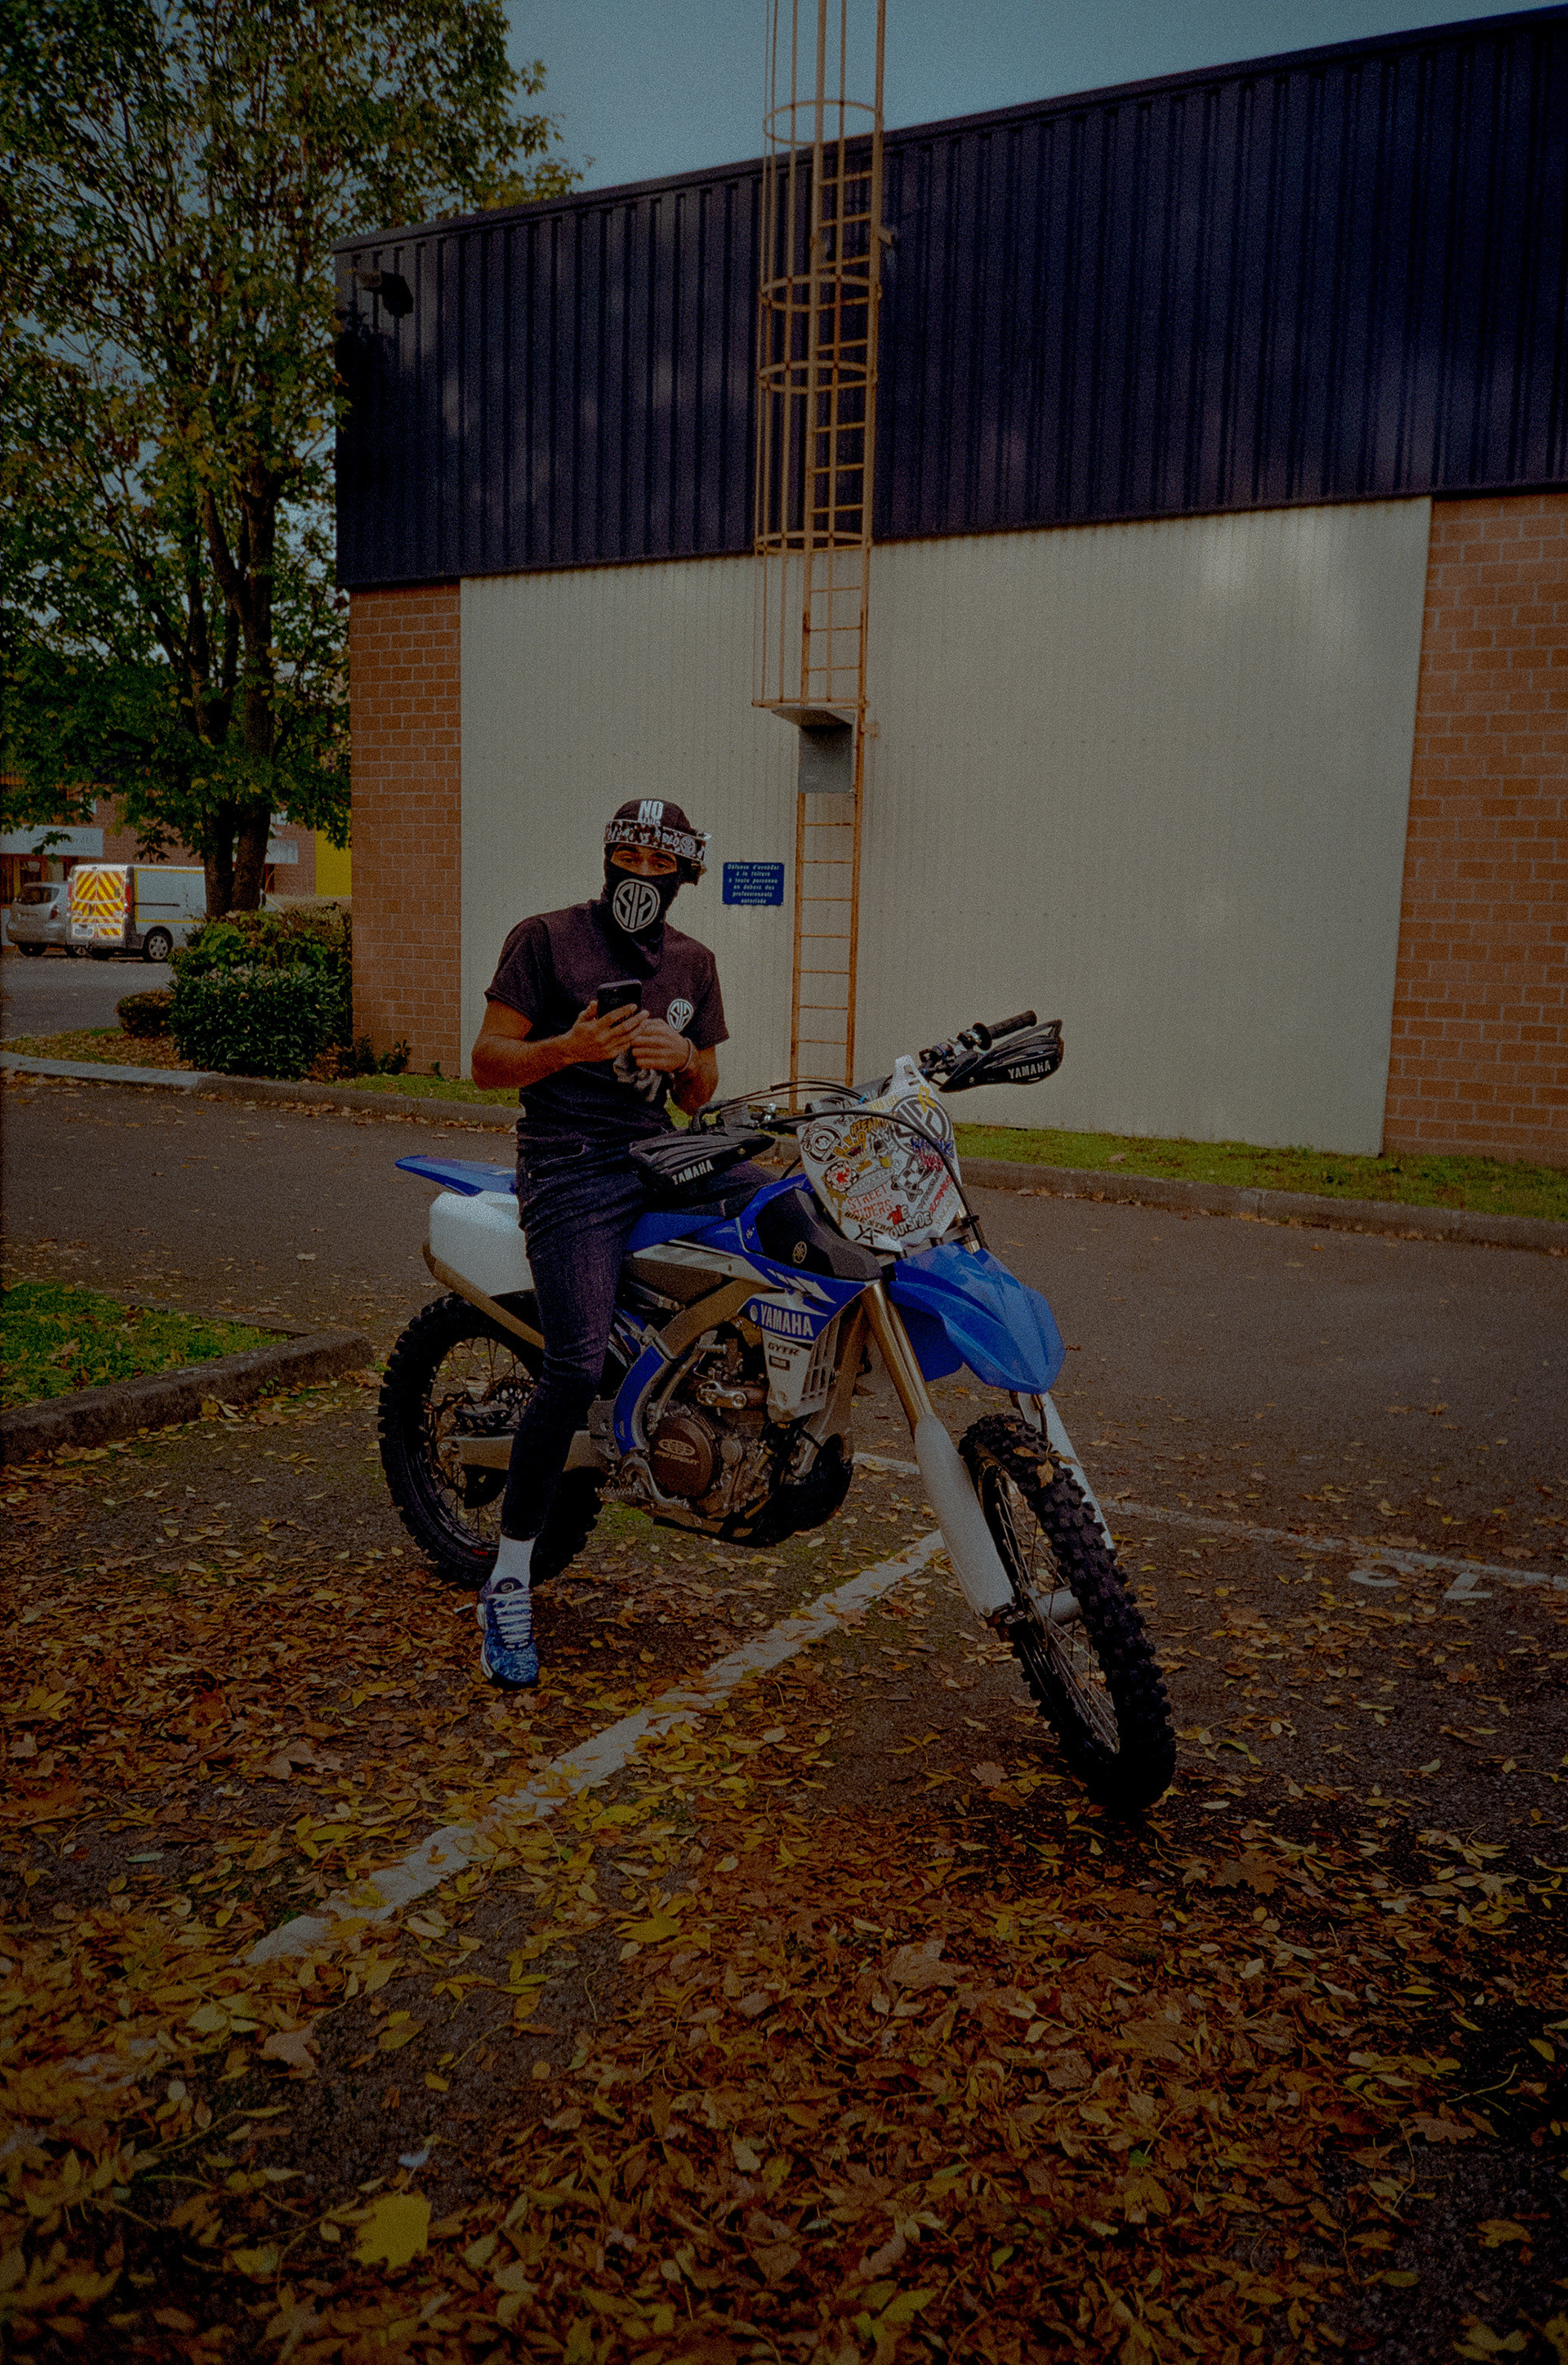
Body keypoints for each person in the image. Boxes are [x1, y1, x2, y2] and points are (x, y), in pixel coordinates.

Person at [469, 798, 748, 1690]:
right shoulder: (546, 939)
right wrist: (570, 1047)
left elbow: (703, 1093)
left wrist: (684, 1060)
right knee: (574, 1364)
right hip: (569, 1162)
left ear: (683, 873)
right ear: (608, 858)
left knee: (785, 1209)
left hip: (658, 1154)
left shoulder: (694, 962)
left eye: (659, 861)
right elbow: (486, 1059)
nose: (641, 871)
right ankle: (509, 1579)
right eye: (628, 854)